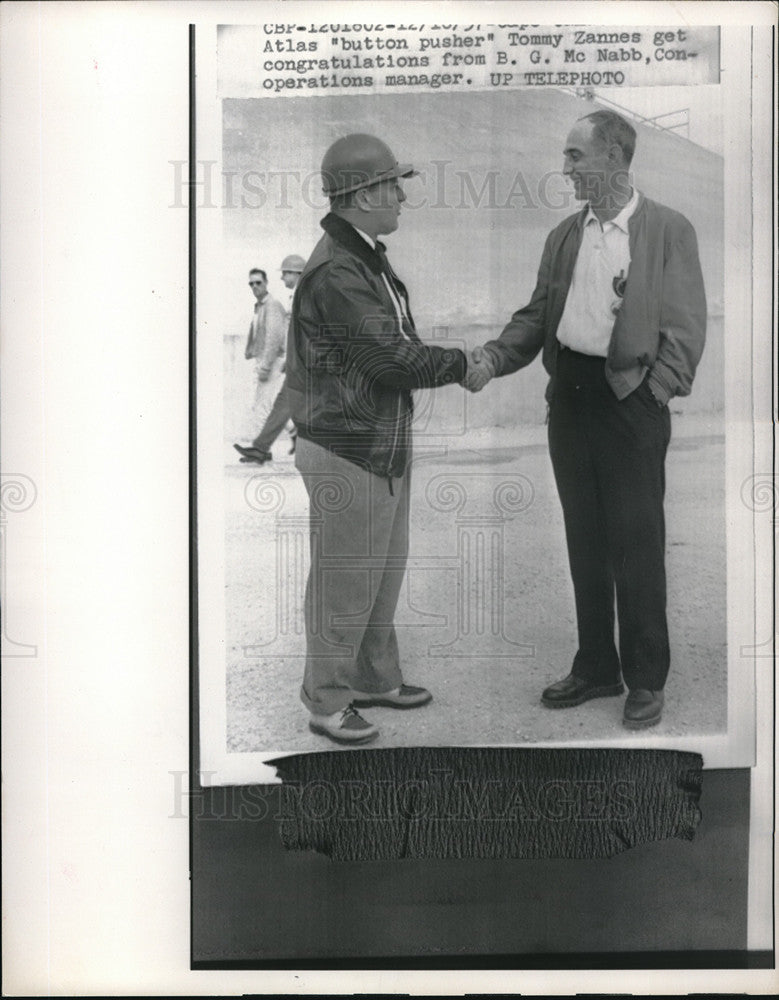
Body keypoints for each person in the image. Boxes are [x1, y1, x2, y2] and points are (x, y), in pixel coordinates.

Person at [465, 109, 706, 730]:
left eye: (575, 156)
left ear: (614, 159)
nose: (565, 168)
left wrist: (654, 392)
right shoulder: (564, 236)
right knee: (586, 543)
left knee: (637, 544)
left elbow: (684, 327)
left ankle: (646, 678)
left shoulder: (668, 230)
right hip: (568, 400)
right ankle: (597, 666)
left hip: (630, 404)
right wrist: (493, 356)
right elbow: (537, 314)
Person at [285, 133, 473, 744]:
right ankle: (327, 700)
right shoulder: (341, 269)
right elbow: (391, 361)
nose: (400, 197)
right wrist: (462, 364)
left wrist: (437, 359)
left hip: (375, 441)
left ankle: (371, 676)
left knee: (381, 572)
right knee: (346, 577)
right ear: (362, 194)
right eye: (393, 184)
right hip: (348, 447)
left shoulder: (362, 254)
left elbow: (395, 345)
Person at [234, 255, 305, 465]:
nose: (282, 277)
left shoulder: (304, 296)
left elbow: (280, 335)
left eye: (285, 273)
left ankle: (264, 448)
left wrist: (277, 361)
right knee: (282, 405)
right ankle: (260, 448)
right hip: (298, 361)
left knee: (277, 405)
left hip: (306, 362)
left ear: (297, 273)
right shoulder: (297, 295)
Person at [238, 268, 287, 446]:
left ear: (266, 283)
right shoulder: (260, 306)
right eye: (251, 283)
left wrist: (265, 366)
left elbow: (274, 338)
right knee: (270, 403)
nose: (255, 286)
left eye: (258, 282)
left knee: (262, 405)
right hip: (264, 359)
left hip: (272, 361)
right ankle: (295, 432)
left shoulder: (272, 305)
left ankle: (259, 451)